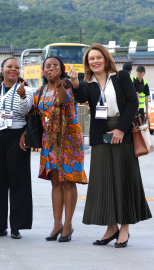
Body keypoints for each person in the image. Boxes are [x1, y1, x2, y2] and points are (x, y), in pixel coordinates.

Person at [69, 44, 151, 248]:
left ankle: (124, 228)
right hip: (100, 135)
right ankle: (111, 227)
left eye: (98, 57)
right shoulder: (88, 81)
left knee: (123, 179)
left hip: (122, 132)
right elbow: (81, 99)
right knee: (103, 181)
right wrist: (74, 82)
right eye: (90, 59)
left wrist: (121, 129)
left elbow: (133, 103)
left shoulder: (121, 76)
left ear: (106, 58)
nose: (94, 61)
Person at [33, 56, 87, 243]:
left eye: (55, 66)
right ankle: (57, 224)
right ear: (42, 70)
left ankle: (68, 224)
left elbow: (64, 101)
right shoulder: (40, 90)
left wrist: (57, 82)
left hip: (69, 139)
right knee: (55, 182)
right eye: (48, 66)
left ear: (61, 69)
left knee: (68, 182)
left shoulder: (67, 85)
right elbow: (36, 114)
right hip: (50, 141)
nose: (51, 68)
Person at [0, 58, 33, 239]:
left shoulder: (27, 90)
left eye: (17, 68)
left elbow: (26, 110)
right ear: (2, 69)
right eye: (10, 67)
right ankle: (0, 226)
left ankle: (16, 226)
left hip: (17, 136)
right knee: (0, 183)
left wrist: (21, 96)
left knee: (17, 181)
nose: (13, 70)